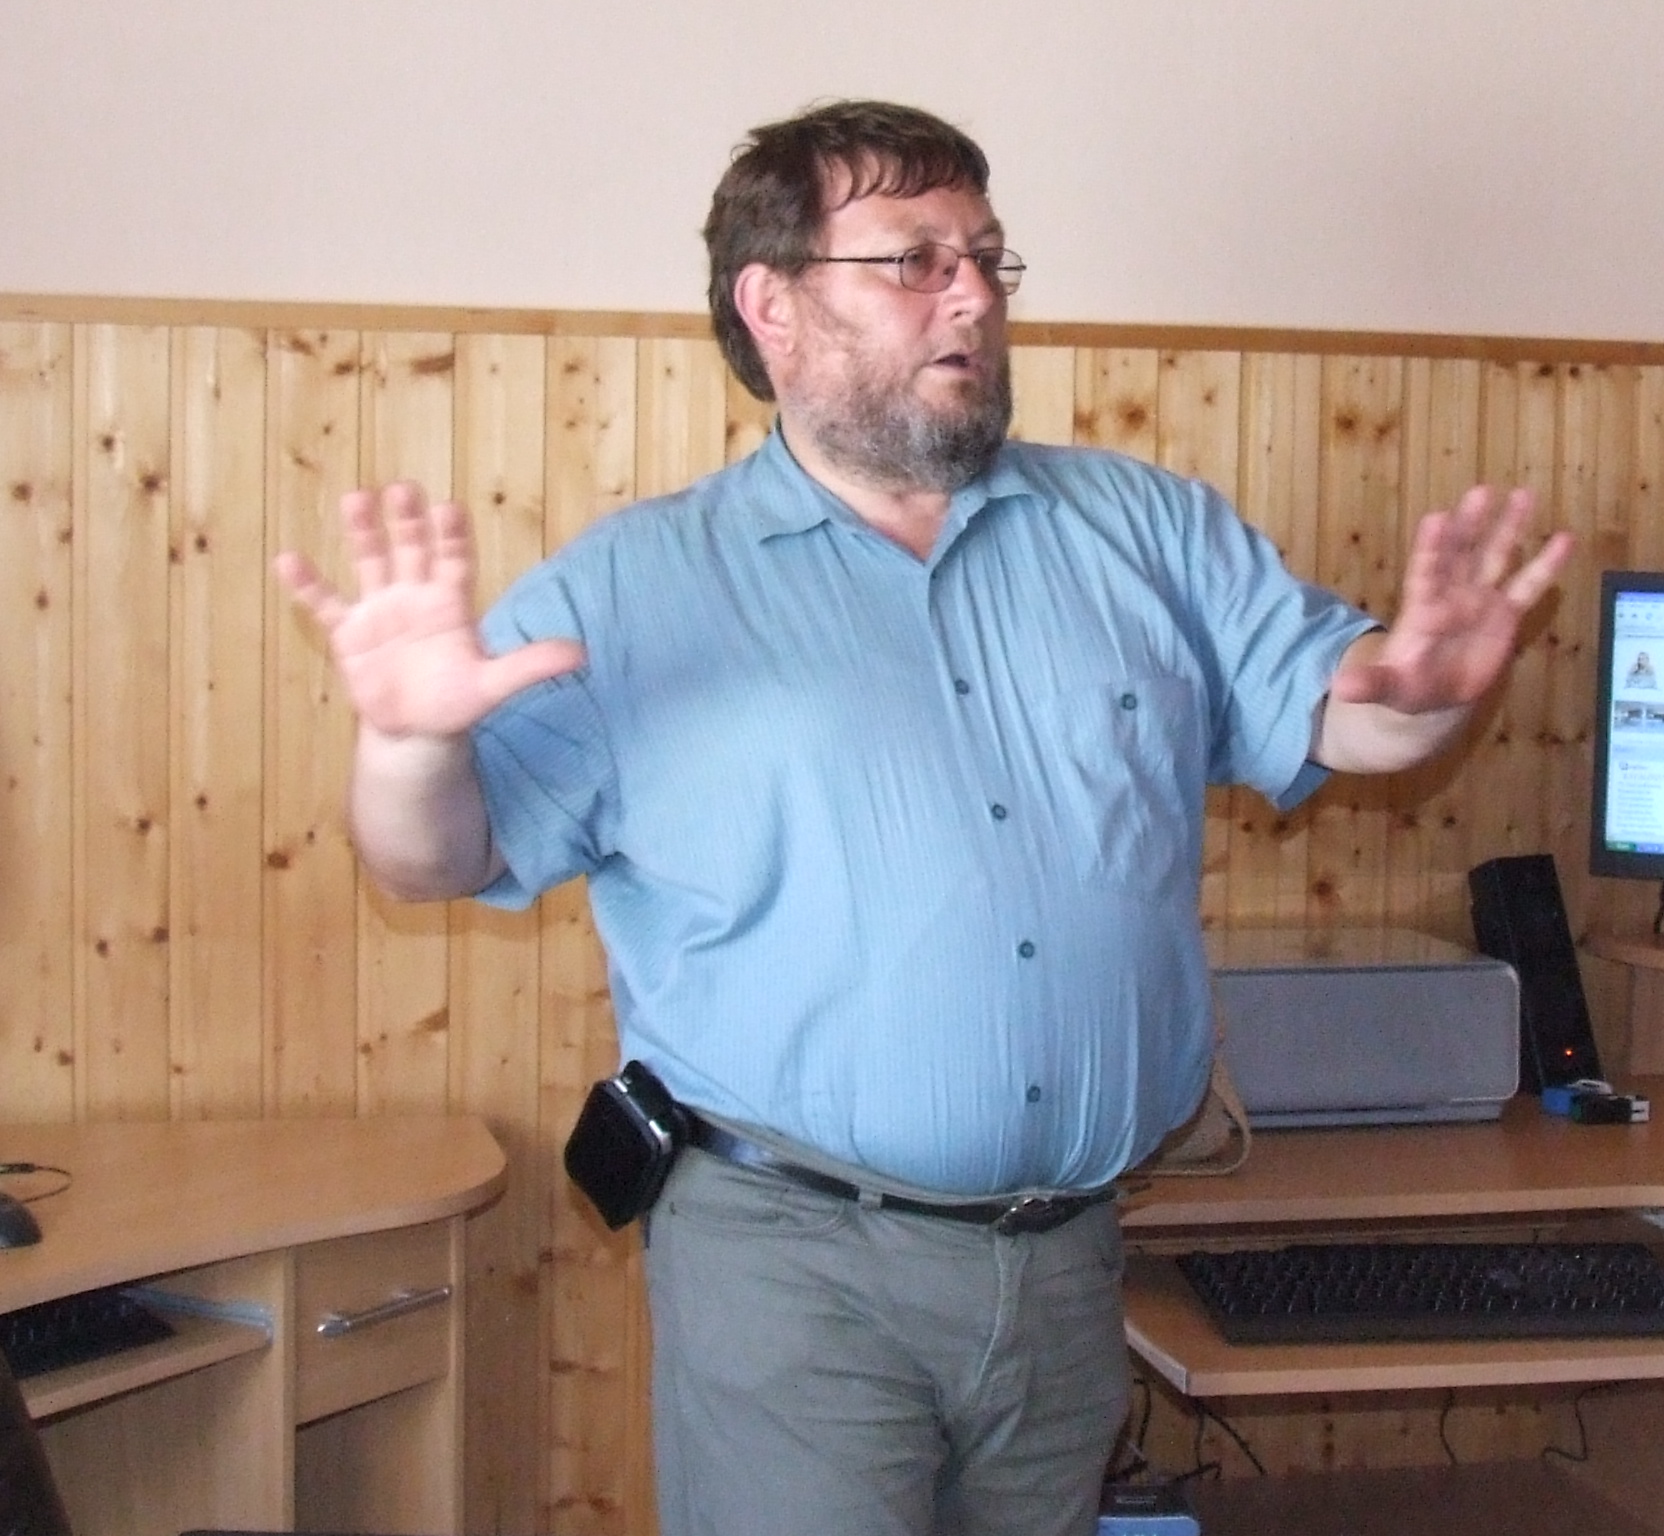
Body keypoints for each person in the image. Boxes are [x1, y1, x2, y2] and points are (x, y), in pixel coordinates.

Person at [276, 99, 1572, 1536]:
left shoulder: (1147, 532)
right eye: (914, 260)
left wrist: (1424, 693)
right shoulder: (634, 588)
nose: (971, 296)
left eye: (987, 259)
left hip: (1067, 1259)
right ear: (772, 306)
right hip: (794, 1264)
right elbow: (434, 855)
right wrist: (408, 744)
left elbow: (1355, 714)